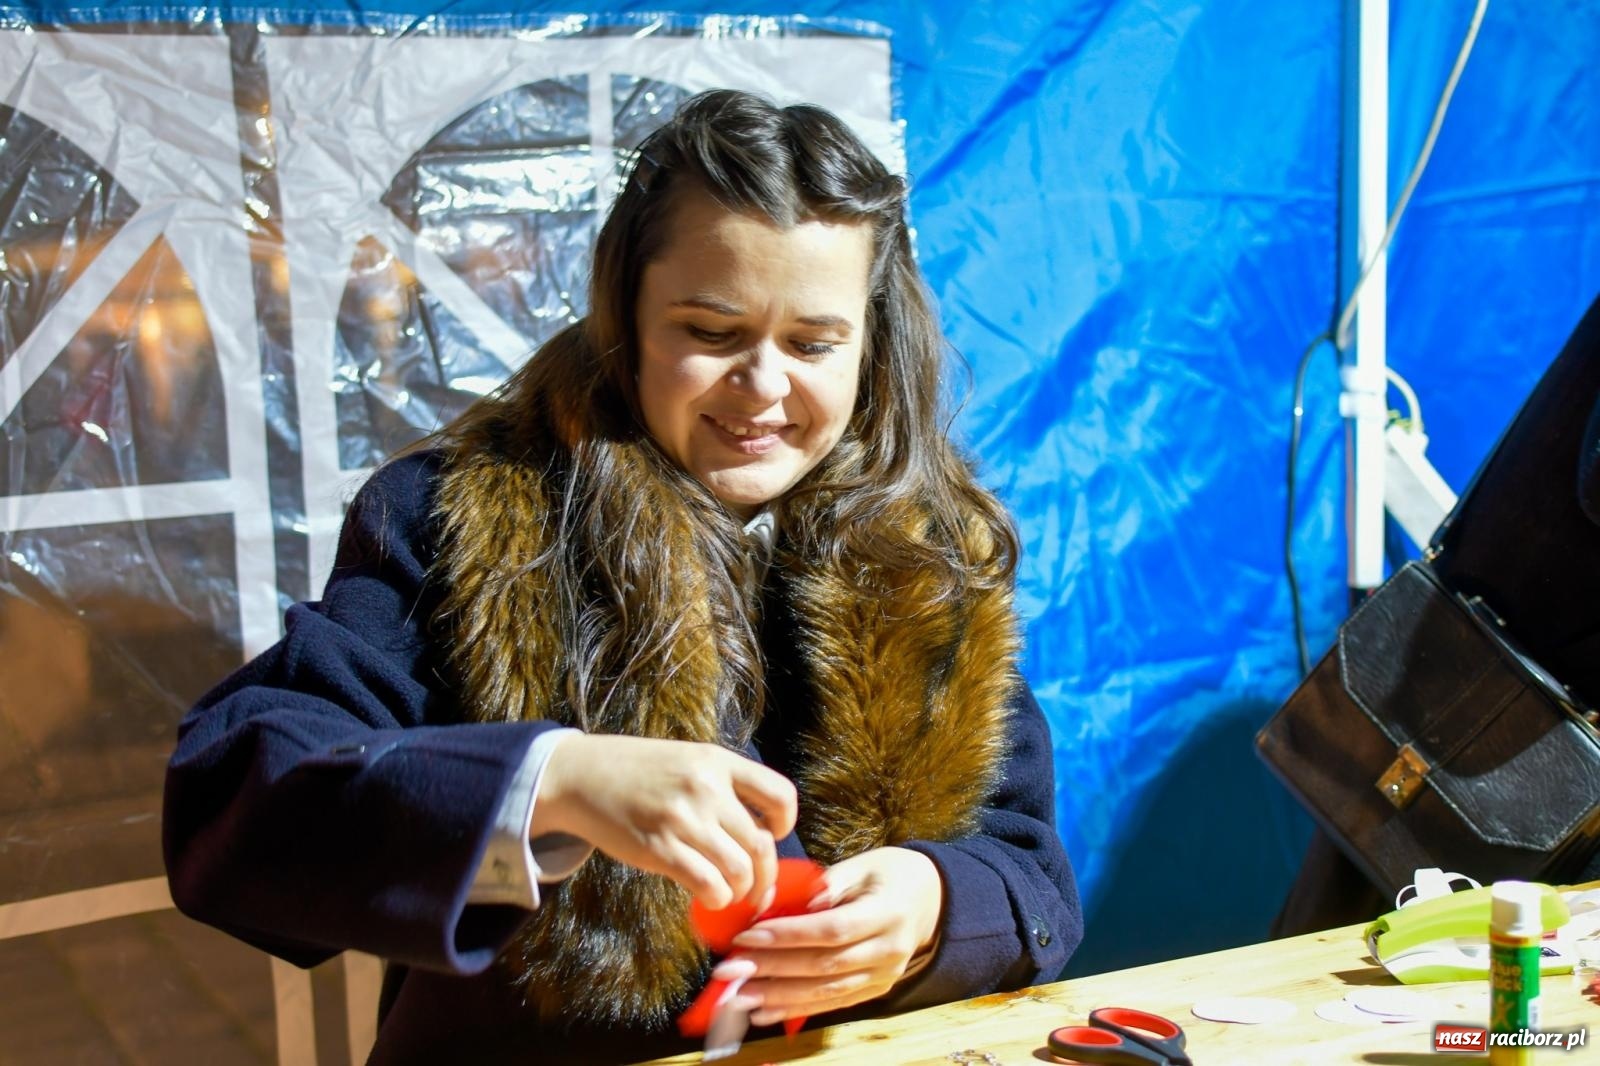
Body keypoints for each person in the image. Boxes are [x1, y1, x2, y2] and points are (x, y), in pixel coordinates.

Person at [163, 89, 1082, 1064]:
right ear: (625, 319)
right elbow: (231, 807)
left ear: (871, 341)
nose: (764, 386)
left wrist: (933, 905)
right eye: (710, 332)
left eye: (813, 344)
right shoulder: (455, 519)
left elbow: (1031, 874)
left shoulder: (925, 557)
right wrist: (553, 784)